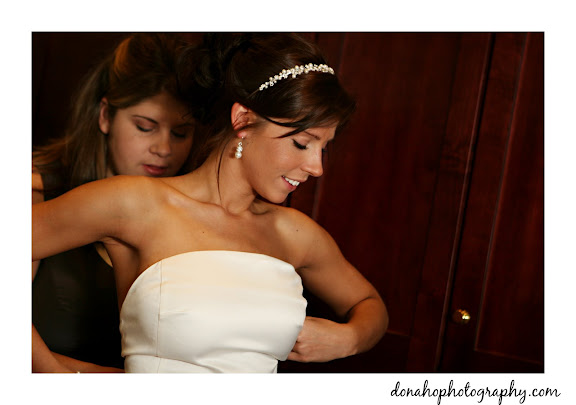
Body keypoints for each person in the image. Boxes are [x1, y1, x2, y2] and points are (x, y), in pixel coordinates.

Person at [32, 32, 388, 373]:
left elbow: (371, 306)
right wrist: (54, 373)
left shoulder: (295, 233)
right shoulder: (136, 203)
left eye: (324, 147)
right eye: (302, 143)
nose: (316, 167)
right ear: (243, 120)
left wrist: (350, 338)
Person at [32, 33, 197, 373]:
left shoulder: (192, 214)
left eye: (181, 133)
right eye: (145, 127)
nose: (164, 149)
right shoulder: (35, 191)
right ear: (106, 115)